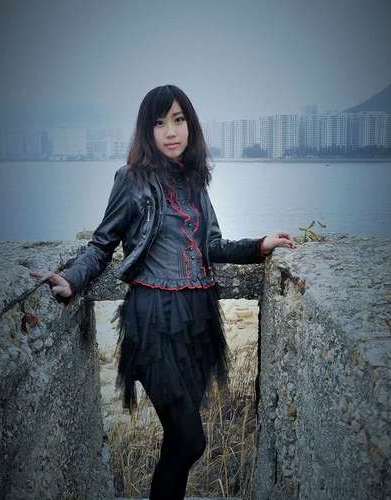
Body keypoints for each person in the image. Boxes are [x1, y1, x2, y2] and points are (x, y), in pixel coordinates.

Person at [30, 84, 295, 499]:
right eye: (159, 123)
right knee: (190, 440)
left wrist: (259, 245)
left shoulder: (195, 181)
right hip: (153, 321)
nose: (170, 131)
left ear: (190, 125)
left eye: (178, 119)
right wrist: (73, 279)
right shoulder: (131, 180)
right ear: (146, 131)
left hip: (198, 322)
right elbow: (102, 243)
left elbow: (212, 245)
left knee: (177, 441)